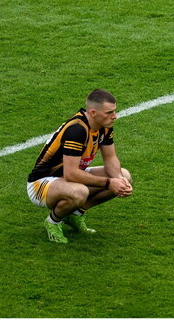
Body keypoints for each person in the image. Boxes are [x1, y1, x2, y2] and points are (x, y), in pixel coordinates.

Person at [26, 89, 133, 243]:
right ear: (93, 112)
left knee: (125, 176)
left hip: (68, 178)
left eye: (114, 111)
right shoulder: (76, 130)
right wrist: (110, 183)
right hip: (42, 184)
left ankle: (75, 215)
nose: (114, 116)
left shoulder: (105, 126)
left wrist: (119, 180)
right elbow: (71, 174)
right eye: (109, 112)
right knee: (79, 192)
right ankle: (53, 222)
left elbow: (110, 158)